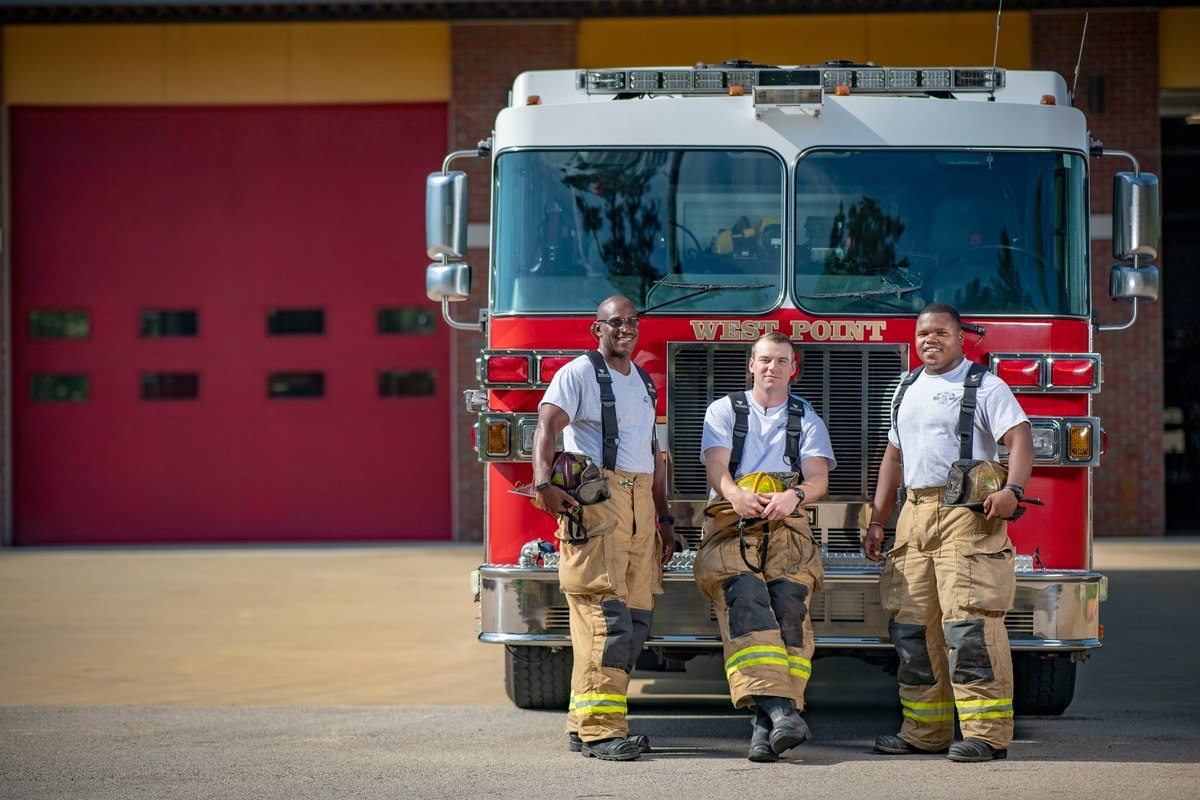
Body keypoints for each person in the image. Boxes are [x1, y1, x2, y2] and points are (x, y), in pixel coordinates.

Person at [864, 302, 1034, 763]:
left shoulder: (985, 385)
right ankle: (925, 730)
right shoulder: (906, 387)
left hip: (967, 512)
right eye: (923, 334)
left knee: (969, 625)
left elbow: (1021, 438)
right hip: (915, 513)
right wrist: (878, 519)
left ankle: (987, 734)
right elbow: (893, 459)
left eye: (940, 332)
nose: (930, 340)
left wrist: (1013, 490)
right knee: (913, 628)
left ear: (961, 338)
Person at [532, 295, 676, 762]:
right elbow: (546, 426)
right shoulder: (577, 373)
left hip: (639, 511)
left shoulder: (642, 383)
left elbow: (652, 456)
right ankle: (601, 731)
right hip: (601, 507)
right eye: (615, 323)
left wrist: (665, 519)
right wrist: (542, 484)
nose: (625, 330)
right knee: (604, 621)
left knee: (634, 623)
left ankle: (584, 722)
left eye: (632, 323)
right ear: (597, 329)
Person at [693, 332, 836, 762]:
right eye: (764, 360)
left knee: (790, 604)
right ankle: (782, 710)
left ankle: (765, 726)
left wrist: (795, 496)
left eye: (781, 361)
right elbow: (716, 464)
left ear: (794, 369)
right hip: (729, 525)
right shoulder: (723, 410)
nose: (772, 367)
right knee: (746, 597)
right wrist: (734, 493)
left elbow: (818, 478)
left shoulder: (806, 417)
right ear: (751, 366)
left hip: (788, 528)